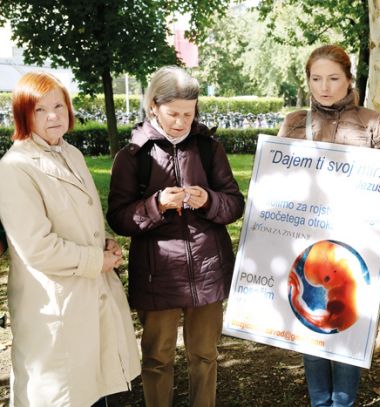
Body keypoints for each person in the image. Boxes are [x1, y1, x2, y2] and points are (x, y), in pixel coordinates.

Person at [0, 72, 140, 406]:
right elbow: (37, 248)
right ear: (23, 115)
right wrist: (98, 260)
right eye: (40, 110)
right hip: (54, 307)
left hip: (87, 298)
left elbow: (81, 219)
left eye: (59, 106)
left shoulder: (71, 153)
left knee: (94, 391)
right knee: (66, 395)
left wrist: (105, 241)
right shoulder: (15, 168)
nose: (53, 115)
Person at [107, 66, 245, 407]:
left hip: (207, 269)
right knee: (157, 359)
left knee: (205, 355)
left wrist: (209, 200)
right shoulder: (131, 156)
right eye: (173, 114)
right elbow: (119, 218)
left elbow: (234, 204)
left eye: (189, 113)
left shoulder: (210, 149)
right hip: (158, 275)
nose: (182, 122)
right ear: (153, 105)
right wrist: (157, 204)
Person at [279, 44, 380, 407]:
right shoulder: (295, 122)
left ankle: (343, 402)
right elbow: (276, 178)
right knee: (311, 321)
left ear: (349, 79)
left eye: (333, 78)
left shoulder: (371, 122)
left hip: (356, 245)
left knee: (348, 325)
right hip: (307, 244)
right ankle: (319, 402)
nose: (325, 87)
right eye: (316, 79)